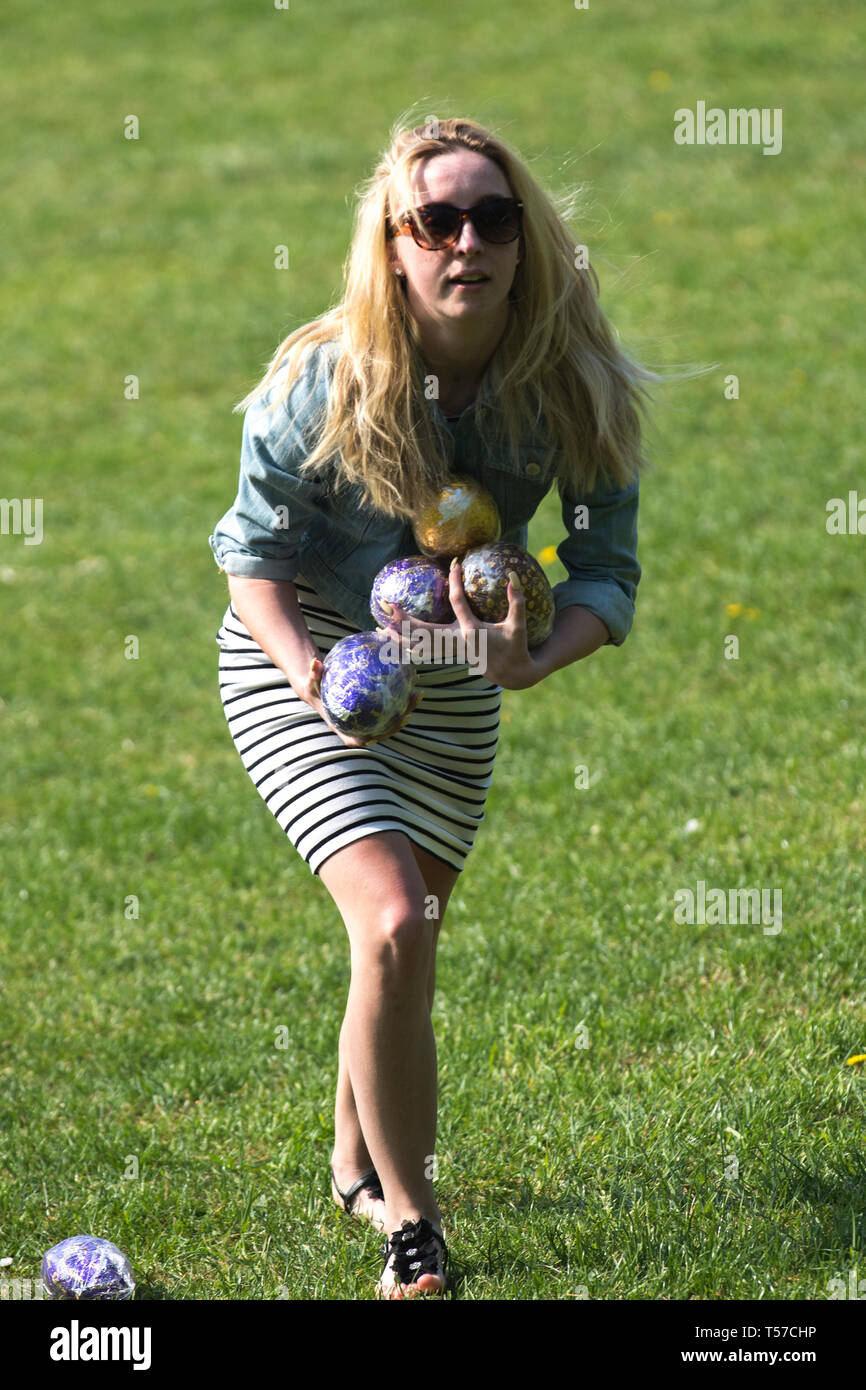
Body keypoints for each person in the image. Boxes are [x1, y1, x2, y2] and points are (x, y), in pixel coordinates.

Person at [208, 114, 654, 1299]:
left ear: (523, 239)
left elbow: (604, 566)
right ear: (394, 247)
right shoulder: (326, 377)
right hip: (300, 667)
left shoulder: (568, 381)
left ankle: (357, 1168)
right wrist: (314, 674)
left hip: (457, 682)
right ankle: (414, 1223)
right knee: (396, 922)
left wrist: (534, 653)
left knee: (401, 947)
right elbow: (252, 560)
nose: (468, 241)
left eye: (492, 217)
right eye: (437, 220)